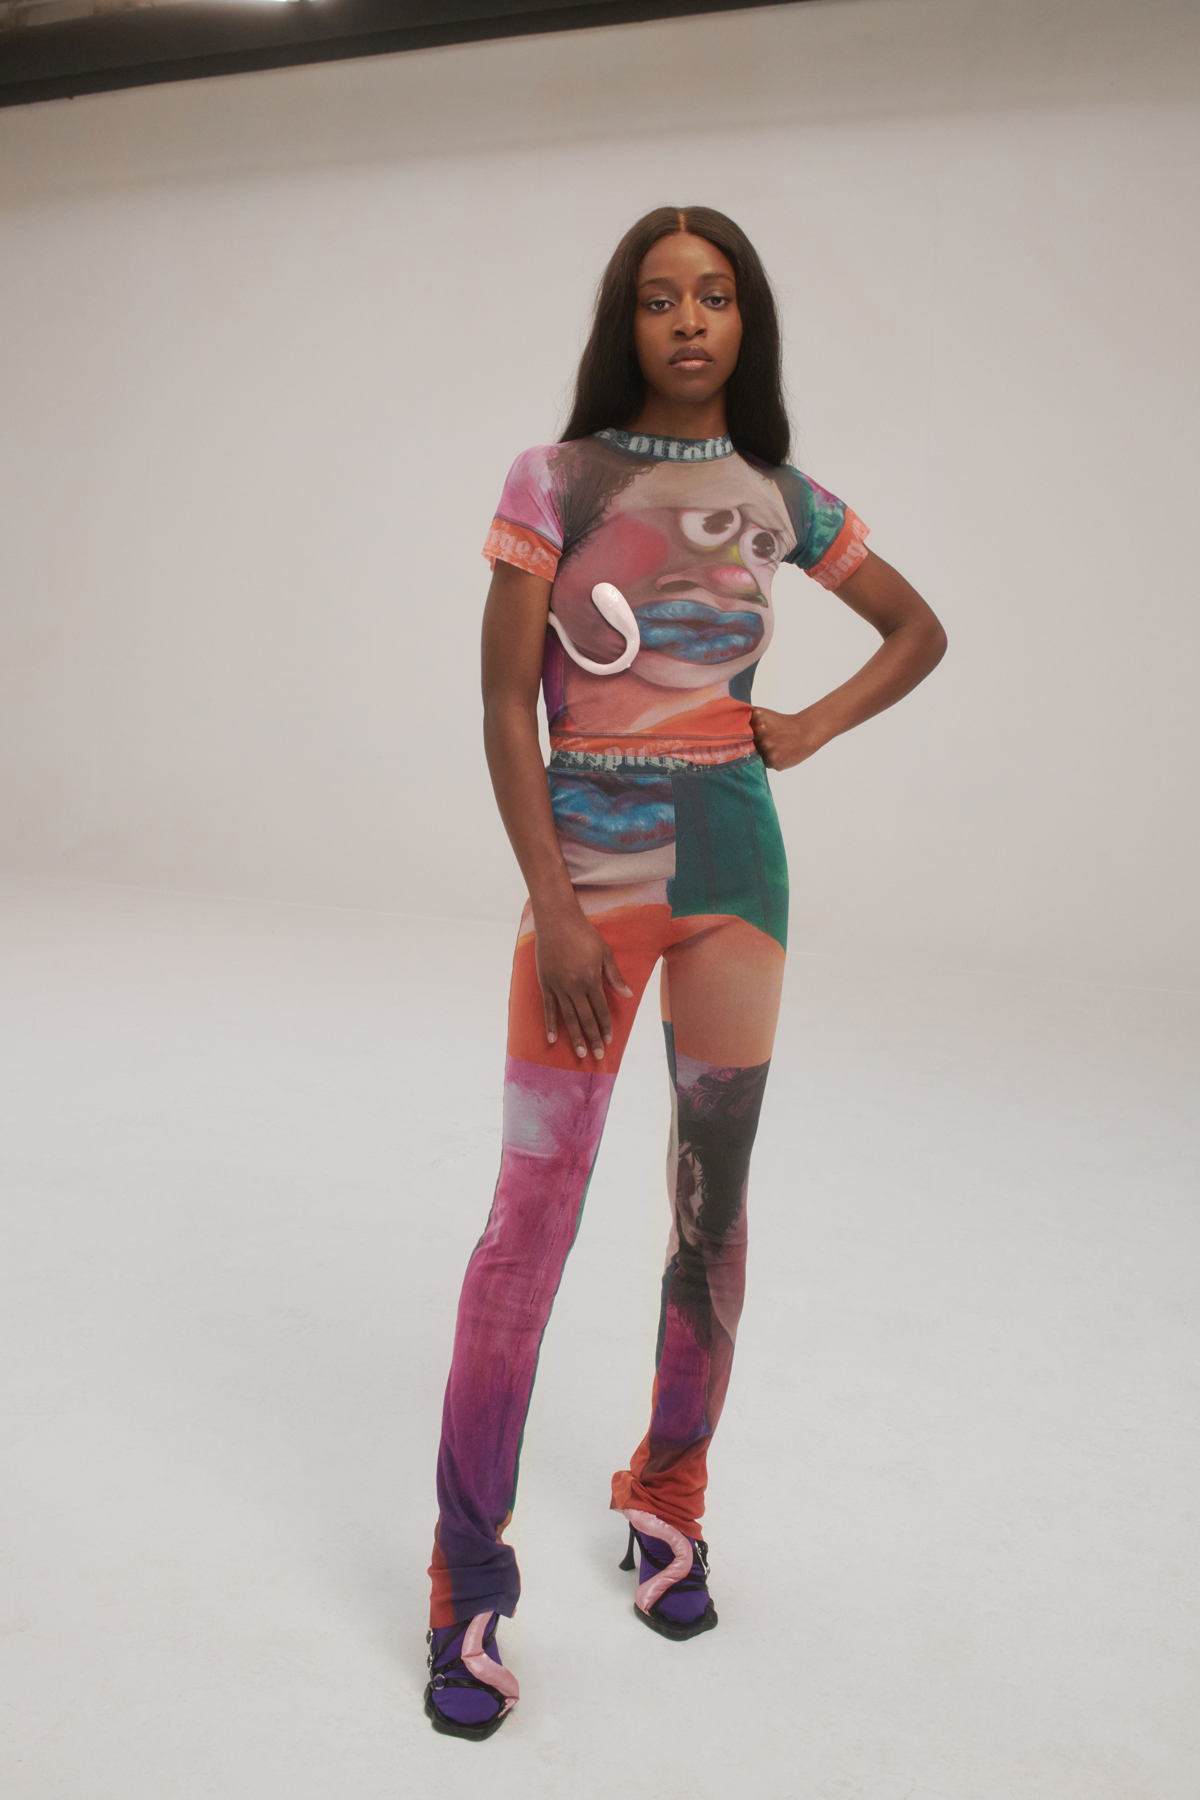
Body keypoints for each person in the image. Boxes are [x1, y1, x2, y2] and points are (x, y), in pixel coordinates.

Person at [423, 205, 947, 1739]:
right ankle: (467, 1578)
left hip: (736, 867)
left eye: (715, 294)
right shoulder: (557, 478)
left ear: (746, 319)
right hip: (589, 866)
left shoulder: (780, 495)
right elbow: (503, 703)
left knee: (714, 1207)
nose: (691, 319)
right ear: (627, 322)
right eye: (661, 298)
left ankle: (668, 1500)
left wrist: (810, 724)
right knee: (531, 1222)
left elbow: (916, 629)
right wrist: (554, 904)